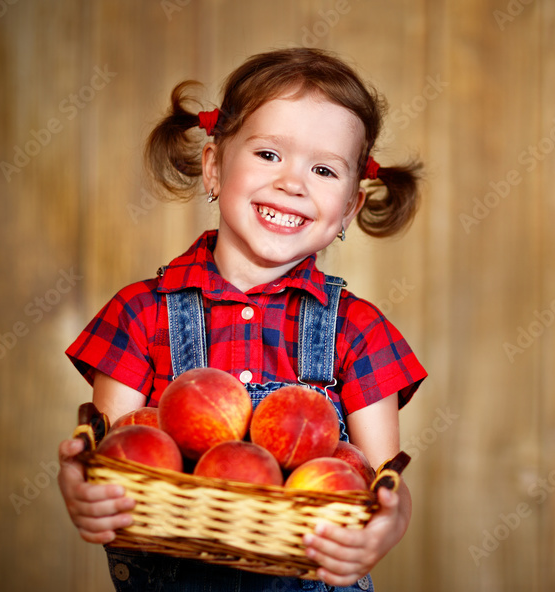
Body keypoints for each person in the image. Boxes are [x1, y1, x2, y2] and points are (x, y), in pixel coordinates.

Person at [57, 47, 427, 592]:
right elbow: (115, 458)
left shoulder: (359, 330)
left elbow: (382, 482)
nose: (293, 183)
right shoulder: (140, 313)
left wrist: (384, 528)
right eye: (270, 155)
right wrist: (81, 486)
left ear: (348, 209)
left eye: (323, 169)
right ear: (213, 166)